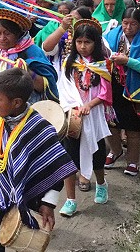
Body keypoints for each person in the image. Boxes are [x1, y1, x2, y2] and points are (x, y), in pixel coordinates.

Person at [0, 68, 76, 252]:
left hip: (29, 199)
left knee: (26, 246)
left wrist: (48, 203)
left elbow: (56, 169)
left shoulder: (39, 128)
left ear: (16, 102)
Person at [56, 19, 112, 217]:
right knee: (69, 159)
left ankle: (101, 183)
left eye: (87, 42)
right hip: (74, 117)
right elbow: (63, 89)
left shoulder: (102, 65)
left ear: (95, 43)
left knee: (97, 156)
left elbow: (105, 93)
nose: (83, 46)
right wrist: (74, 106)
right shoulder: (69, 64)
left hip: (93, 117)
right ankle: (71, 200)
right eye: (79, 42)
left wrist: (89, 104)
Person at [103, 7, 140, 177]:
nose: (128, 27)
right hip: (113, 86)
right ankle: (115, 150)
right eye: (125, 23)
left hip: (137, 88)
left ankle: (133, 162)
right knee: (110, 122)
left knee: (134, 128)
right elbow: (102, 51)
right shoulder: (112, 35)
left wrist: (127, 61)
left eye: (133, 24)